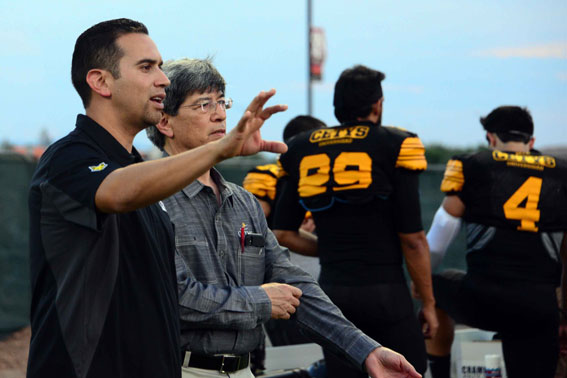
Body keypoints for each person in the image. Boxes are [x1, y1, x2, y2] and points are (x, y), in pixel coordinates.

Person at [27, 19, 288, 378]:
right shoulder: (67, 159)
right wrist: (220, 149)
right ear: (100, 81)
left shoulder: (142, 175)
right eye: (147, 67)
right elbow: (119, 192)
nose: (163, 79)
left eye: (161, 66)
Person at [145, 58, 422, 378]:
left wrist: (366, 349)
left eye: (222, 102)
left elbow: (293, 283)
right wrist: (261, 300)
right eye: (203, 104)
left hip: (244, 369)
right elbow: (177, 297)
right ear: (165, 123)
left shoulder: (244, 201)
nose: (220, 114)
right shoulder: (151, 200)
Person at [272, 64, 438, 377]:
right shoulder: (396, 143)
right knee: (408, 370)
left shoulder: (302, 146)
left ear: (337, 106)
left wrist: (335, 249)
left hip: (333, 291)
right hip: (385, 289)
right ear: (377, 104)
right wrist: (428, 302)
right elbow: (413, 238)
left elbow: (283, 232)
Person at [424, 106, 567, 378]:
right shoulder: (561, 174)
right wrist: (563, 315)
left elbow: (442, 230)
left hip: (485, 299)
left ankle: (439, 373)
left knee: (437, 287)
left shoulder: (475, 166)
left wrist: (423, 286)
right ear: (531, 142)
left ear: (490, 139)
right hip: (539, 307)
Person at [243, 116, 325, 352]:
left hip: (323, 270)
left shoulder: (326, 174)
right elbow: (252, 222)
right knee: (298, 350)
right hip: (287, 266)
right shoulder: (269, 174)